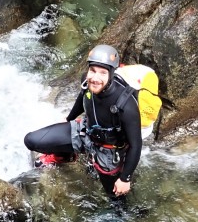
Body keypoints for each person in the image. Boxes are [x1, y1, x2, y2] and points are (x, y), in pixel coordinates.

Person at [24, 44, 142, 198]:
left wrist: (125, 178)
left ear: (111, 74)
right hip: (87, 132)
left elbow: (136, 144)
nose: (95, 78)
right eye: (92, 70)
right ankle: (67, 155)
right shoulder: (87, 83)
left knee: (115, 197)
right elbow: (82, 99)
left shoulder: (126, 105)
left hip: (109, 150)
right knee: (31, 141)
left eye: (102, 73)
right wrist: (69, 119)